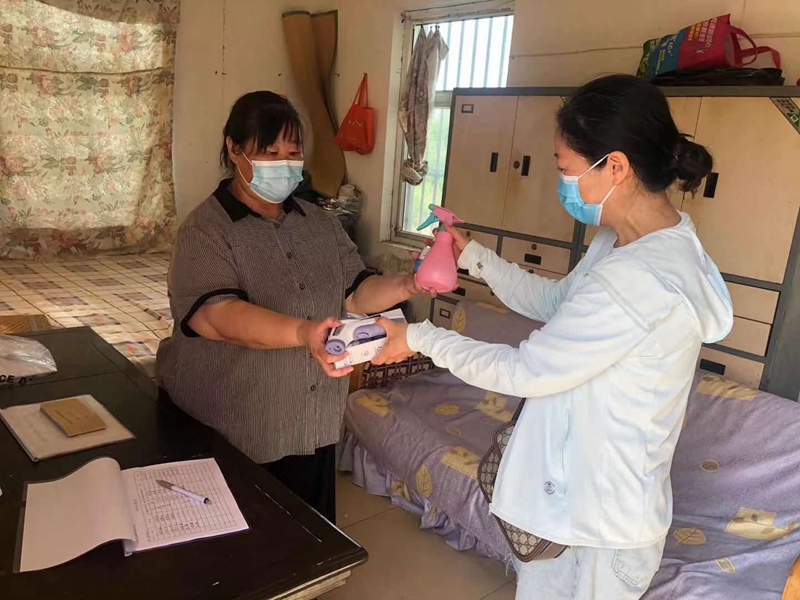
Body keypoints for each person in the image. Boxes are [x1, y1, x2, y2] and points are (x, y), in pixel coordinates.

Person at [374, 74, 734, 599]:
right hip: (580, 505)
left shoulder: (638, 278)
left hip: (600, 531)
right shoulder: (634, 242)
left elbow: (526, 371)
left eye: (566, 169)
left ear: (615, 166)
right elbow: (556, 304)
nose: (561, 183)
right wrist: (472, 255)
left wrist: (419, 338)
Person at [157, 91, 432, 524]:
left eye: (293, 153)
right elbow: (218, 316)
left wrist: (408, 283)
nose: (284, 164)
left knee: (309, 536)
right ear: (234, 149)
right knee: (243, 545)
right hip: (233, 423)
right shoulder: (206, 231)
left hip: (310, 421)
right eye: (270, 153)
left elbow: (357, 293)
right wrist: (303, 333)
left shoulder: (319, 223)